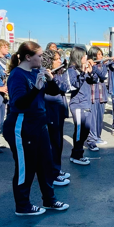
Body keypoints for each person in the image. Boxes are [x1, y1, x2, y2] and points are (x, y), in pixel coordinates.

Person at [2, 41, 69, 215]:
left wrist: (50, 79)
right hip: (22, 124)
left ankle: (49, 200)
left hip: (39, 123)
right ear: (28, 57)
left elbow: (54, 92)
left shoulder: (35, 72)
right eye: (39, 56)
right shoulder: (17, 75)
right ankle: (23, 206)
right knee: (26, 167)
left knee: (45, 165)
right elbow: (19, 102)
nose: (42, 58)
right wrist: (35, 89)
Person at [42, 50, 72, 184]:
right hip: (49, 109)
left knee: (58, 142)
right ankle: (51, 173)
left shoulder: (61, 73)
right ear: (49, 61)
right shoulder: (42, 73)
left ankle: (57, 168)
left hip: (59, 110)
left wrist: (54, 79)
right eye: (57, 59)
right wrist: (49, 78)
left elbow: (65, 88)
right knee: (52, 142)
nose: (60, 61)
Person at [65, 46, 93, 166]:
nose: (86, 58)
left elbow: (93, 81)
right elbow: (74, 84)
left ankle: (79, 153)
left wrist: (91, 72)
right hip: (77, 104)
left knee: (86, 130)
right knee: (79, 131)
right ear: (78, 57)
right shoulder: (72, 70)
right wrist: (83, 72)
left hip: (86, 103)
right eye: (84, 56)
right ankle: (76, 155)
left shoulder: (83, 69)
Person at [86, 46, 108, 151]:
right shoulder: (87, 64)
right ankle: (91, 141)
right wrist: (91, 68)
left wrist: (94, 68)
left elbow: (103, 76)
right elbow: (92, 79)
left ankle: (98, 137)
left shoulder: (103, 65)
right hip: (92, 95)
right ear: (93, 55)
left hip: (101, 95)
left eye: (101, 54)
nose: (101, 56)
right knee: (92, 119)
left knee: (100, 119)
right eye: (98, 54)